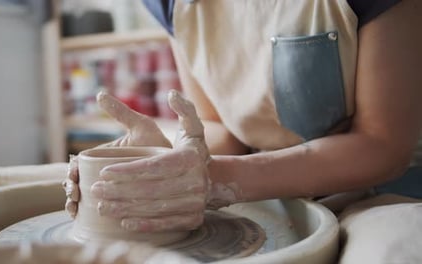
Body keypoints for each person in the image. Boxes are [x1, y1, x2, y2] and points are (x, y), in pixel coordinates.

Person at [64, 0, 422, 262]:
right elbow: (218, 127)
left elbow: (383, 145)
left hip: (379, 192)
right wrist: (171, 159)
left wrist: (215, 178)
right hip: (263, 190)